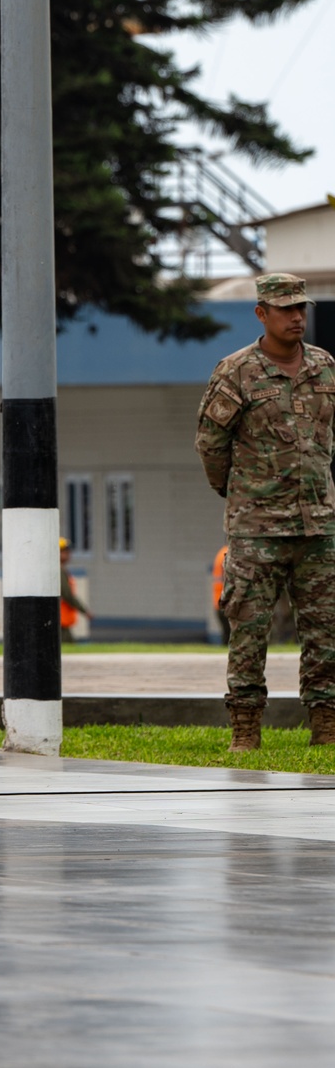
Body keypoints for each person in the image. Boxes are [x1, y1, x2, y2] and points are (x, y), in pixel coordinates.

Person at [195, 272, 335, 752]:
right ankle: (246, 728)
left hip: (318, 525)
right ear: (261, 313)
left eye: (301, 308)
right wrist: (239, 496)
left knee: (326, 630)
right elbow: (211, 445)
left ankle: (327, 726)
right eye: (286, 309)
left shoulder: (324, 366)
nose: (297, 316)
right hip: (257, 529)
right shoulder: (236, 371)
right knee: (249, 630)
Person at [59, 537, 92, 642]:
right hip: (60, 618)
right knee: (66, 646)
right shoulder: (58, 571)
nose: (68, 555)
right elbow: (67, 594)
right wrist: (84, 610)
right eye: (65, 552)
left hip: (62, 618)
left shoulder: (61, 570)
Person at [211, 544, 230, 645]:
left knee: (226, 634)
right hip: (227, 600)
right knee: (230, 635)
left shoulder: (221, 552)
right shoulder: (229, 553)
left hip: (219, 601)